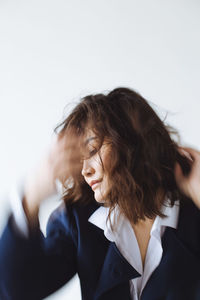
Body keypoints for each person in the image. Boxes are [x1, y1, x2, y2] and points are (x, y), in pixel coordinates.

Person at [0, 87, 200, 300]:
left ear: (133, 142)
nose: (85, 170)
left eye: (93, 150)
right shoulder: (77, 220)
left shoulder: (193, 212)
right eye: (80, 160)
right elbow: (18, 291)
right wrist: (31, 196)